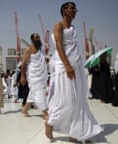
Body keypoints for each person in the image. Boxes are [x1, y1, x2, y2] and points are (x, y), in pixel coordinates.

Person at [45, 2, 103, 143]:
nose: (75, 11)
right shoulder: (58, 26)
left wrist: (75, 66)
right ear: (64, 11)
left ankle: (78, 133)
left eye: (75, 8)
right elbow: (59, 46)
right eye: (72, 8)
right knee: (67, 101)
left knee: (79, 101)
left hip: (76, 68)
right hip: (64, 67)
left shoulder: (73, 28)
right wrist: (67, 66)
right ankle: (50, 122)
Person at [20, 33, 48, 120]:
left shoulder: (42, 50)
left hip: (41, 75)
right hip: (34, 76)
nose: (38, 38)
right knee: (40, 92)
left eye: (39, 37)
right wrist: (23, 76)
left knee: (33, 93)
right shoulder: (29, 50)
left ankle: (25, 109)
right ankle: (45, 112)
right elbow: (23, 64)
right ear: (32, 39)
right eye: (36, 37)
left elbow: (44, 60)